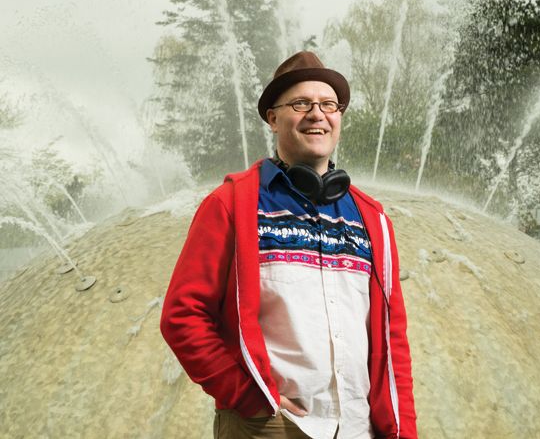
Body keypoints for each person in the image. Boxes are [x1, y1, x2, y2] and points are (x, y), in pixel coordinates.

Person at [160, 51, 417, 439]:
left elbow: (392, 337)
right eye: (301, 104)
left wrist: (402, 432)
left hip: (359, 427)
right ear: (273, 118)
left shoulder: (373, 219)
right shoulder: (231, 205)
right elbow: (183, 316)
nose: (317, 114)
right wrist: (251, 398)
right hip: (271, 426)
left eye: (329, 104)